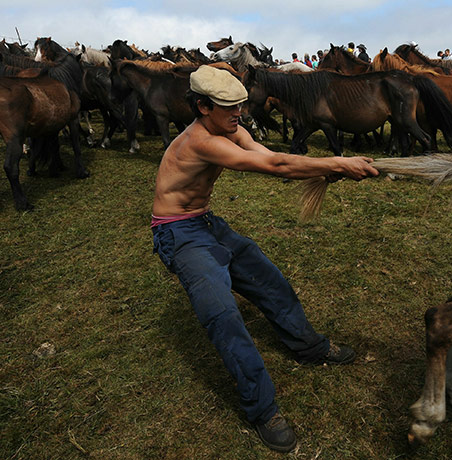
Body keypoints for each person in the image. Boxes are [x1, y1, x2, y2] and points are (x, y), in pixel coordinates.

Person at [150, 65, 378, 452]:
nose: (240, 113)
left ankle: (308, 347)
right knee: (223, 316)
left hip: (204, 222)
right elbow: (275, 167)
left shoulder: (228, 127)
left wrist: (323, 167)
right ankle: (261, 408)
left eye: (240, 104)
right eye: (229, 106)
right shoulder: (198, 141)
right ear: (203, 106)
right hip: (179, 233)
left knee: (268, 279)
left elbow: (274, 155)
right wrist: (337, 163)